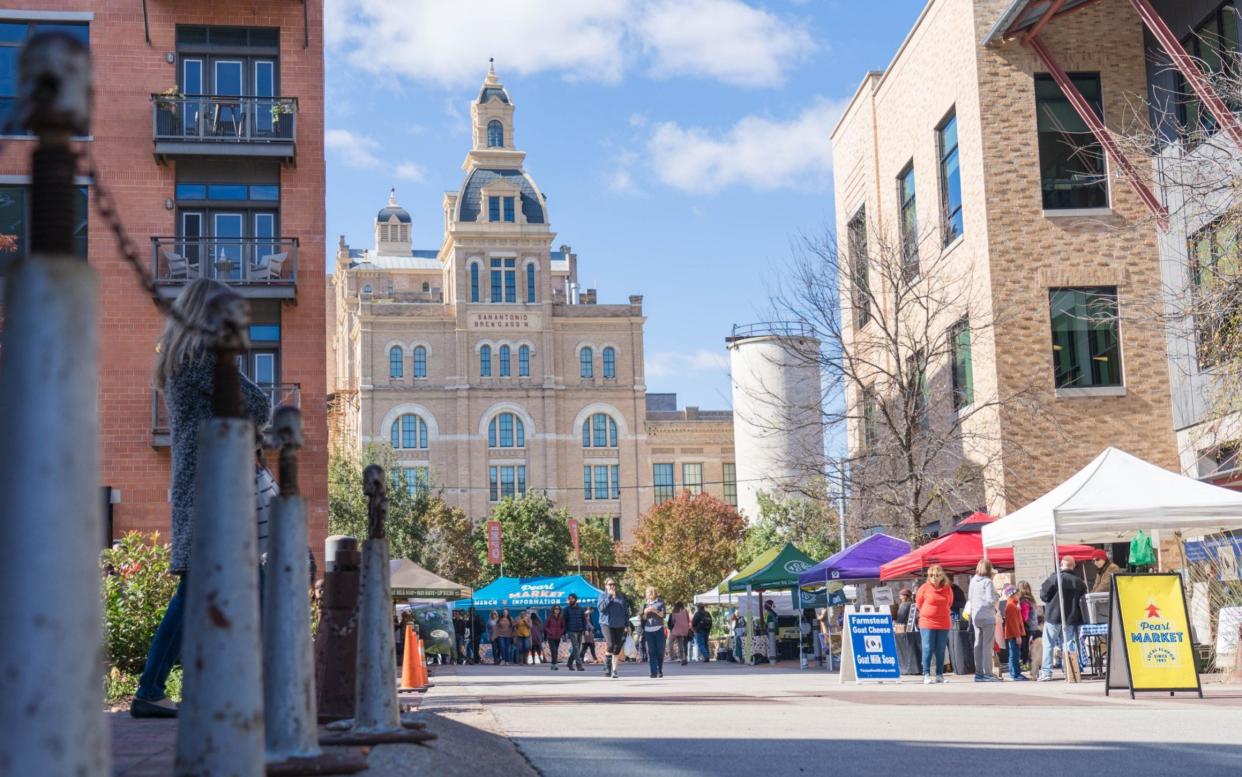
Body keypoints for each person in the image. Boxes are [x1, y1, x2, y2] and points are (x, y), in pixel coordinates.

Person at [132, 279, 271, 719]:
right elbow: (259, 404)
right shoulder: (204, 359)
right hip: (211, 488)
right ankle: (154, 688)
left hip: (199, 484)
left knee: (205, 589)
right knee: (207, 589)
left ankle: (182, 686)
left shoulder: (180, 360)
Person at [1038, 557, 1087, 682]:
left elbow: (1043, 595)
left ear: (1061, 565)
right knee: (1069, 644)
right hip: (1070, 617)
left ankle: (1046, 673)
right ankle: (1070, 670)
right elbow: (1083, 602)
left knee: (1048, 644)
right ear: (1074, 565)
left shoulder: (1054, 578)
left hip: (1053, 616)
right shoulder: (1079, 582)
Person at [916, 564, 955, 684]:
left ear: (941, 576)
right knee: (927, 647)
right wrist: (928, 613)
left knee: (941, 649)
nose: (934, 577)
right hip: (927, 622)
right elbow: (919, 603)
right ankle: (926, 674)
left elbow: (949, 602)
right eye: (931, 575)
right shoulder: (924, 588)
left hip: (943, 622)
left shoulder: (947, 589)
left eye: (937, 575)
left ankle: (939, 675)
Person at [968, 559, 1000, 682]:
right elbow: (990, 599)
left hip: (976, 616)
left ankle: (979, 673)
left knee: (978, 644)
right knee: (987, 646)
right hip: (987, 616)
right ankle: (988, 673)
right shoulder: (988, 582)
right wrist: (997, 595)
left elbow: (970, 598)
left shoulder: (972, 581)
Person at [597, 578, 629, 679]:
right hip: (606, 624)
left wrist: (627, 625)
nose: (612, 586)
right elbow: (601, 608)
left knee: (617, 647)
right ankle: (607, 667)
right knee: (610, 645)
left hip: (619, 624)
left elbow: (625, 612)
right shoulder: (603, 596)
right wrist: (610, 597)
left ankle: (614, 670)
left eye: (613, 584)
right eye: (610, 584)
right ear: (606, 586)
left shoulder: (620, 596)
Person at [1002, 584, 1028, 681]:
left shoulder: (1012, 605)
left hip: (1013, 634)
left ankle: (1014, 673)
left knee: (1014, 654)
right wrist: (1018, 636)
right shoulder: (1011, 606)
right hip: (1013, 634)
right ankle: (1015, 674)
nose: (1019, 596)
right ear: (1012, 595)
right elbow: (1013, 623)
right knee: (1014, 654)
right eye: (1017, 594)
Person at [641, 587, 667, 678]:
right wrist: (645, 612)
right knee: (651, 651)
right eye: (647, 592)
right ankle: (653, 672)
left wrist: (654, 610)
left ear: (653, 593)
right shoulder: (645, 603)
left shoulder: (660, 602)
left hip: (659, 629)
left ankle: (659, 669)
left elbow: (663, 615)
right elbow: (643, 618)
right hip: (648, 630)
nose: (648, 594)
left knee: (660, 651)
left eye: (649, 592)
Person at [1018, 581, 1039, 667]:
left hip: (1027, 627)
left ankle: (1025, 664)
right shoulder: (1032, 599)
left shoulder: (1024, 601)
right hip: (1034, 626)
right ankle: (1032, 664)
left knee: (1025, 648)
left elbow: (1025, 617)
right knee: (1032, 647)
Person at [564, 594, 587, 670]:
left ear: (575, 599)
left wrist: (585, 629)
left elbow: (584, 620)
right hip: (571, 631)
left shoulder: (581, 609)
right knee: (576, 648)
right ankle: (579, 665)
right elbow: (564, 621)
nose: (570, 600)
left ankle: (569, 663)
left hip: (580, 630)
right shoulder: (566, 609)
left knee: (577, 648)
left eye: (571, 599)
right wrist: (565, 632)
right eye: (569, 599)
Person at [544, 605, 566, 670]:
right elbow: (545, 626)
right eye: (556, 609)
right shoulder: (550, 617)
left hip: (558, 637)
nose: (557, 610)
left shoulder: (561, 618)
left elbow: (563, 627)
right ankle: (555, 664)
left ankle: (553, 664)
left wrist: (561, 632)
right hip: (551, 637)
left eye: (558, 609)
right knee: (553, 650)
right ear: (553, 609)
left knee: (556, 651)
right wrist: (550, 632)